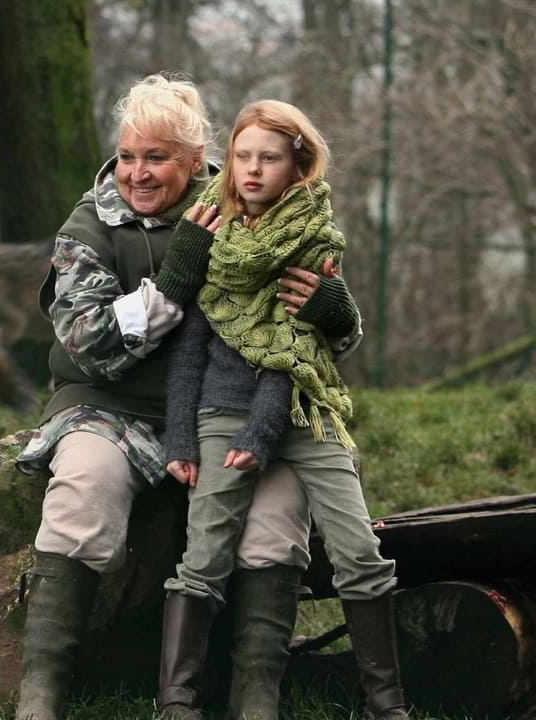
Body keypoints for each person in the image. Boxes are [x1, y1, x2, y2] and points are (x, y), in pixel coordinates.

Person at [12, 75, 363, 720]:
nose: (137, 174)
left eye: (157, 158)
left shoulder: (244, 208)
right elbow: (88, 345)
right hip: (109, 407)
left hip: (235, 413)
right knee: (84, 485)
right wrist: (173, 281)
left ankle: (256, 697)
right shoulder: (88, 227)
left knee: (276, 517)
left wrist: (335, 314)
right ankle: (41, 693)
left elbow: (305, 337)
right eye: (127, 156)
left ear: (195, 158)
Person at [159, 99, 409, 720]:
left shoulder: (315, 240)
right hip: (220, 413)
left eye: (269, 158)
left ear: (298, 166)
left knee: (358, 550)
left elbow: (292, 353)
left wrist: (334, 309)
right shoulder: (211, 233)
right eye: (242, 156)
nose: (251, 170)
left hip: (302, 408)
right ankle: (175, 699)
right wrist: (180, 441)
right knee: (205, 551)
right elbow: (186, 352)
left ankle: (388, 703)